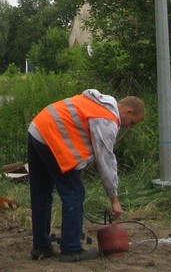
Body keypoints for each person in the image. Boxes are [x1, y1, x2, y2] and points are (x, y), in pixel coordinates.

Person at [27, 89, 145, 262]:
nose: (128, 127)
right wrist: (114, 199)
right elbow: (105, 161)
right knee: (74, 193)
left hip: (37, 130)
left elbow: (75, 130)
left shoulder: (97, 102)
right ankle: (72, 249)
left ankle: (41, 247)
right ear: (129, 111)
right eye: (132, 122)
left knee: (41, 193)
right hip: (51, 138)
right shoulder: (107, 120)